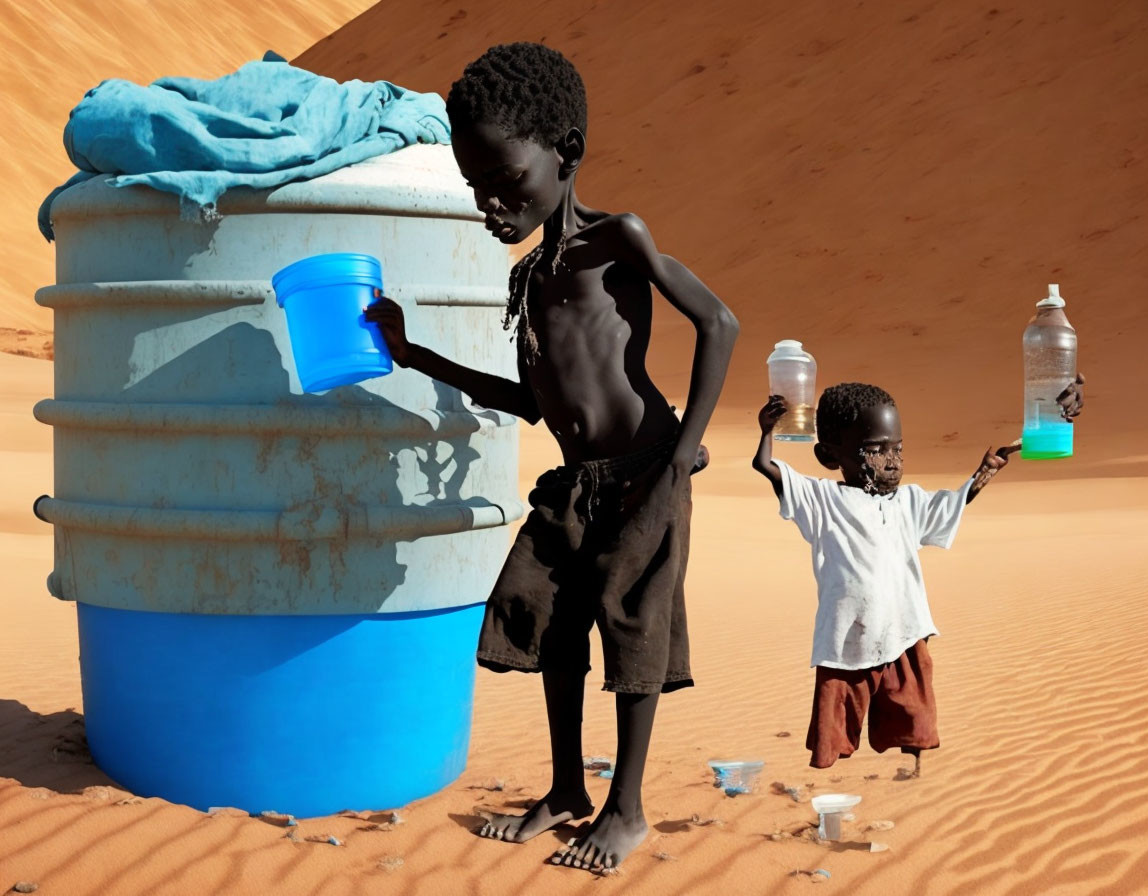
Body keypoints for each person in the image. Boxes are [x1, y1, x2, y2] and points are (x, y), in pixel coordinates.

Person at [366, 42, 738, 871]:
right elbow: (535, 402)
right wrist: (412, 352)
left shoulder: (619, 238)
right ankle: (567, 787)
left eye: (507, 182)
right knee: (548, 621)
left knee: (632, 632)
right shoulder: (530, 274)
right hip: (574, 484)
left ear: (565, 153)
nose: (492, 204)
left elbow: (720, 323)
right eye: (476, 188)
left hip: (644, 471)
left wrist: (678, 460)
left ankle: (626, 809)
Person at [752, 377, 1083, 774]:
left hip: (902, 629)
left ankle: (912, 766)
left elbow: (953, 504)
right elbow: (766, 466)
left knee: (913, 712)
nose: (891, 460)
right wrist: (767, 431)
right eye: (875, 450)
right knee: (837, 721)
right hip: (846, 637)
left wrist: (987, 470)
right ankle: (831, 766)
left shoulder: (909, 501)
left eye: (898, 448)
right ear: (829, 455)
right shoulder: (822, 499)